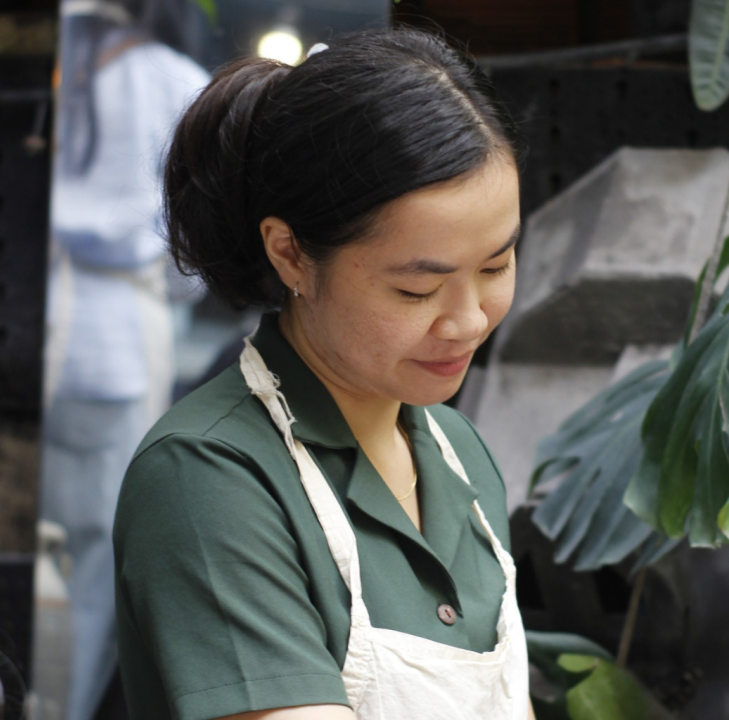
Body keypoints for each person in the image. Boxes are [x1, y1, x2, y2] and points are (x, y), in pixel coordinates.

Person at [113, 28, 534, 720]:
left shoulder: (462, 458)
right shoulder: (209, 477)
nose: (467, 320)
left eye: (495, 266)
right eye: (416, 290)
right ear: (290, 255)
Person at [41, 2, 209, 719]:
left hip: (21, 333)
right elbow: (195, 248)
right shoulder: (173, 78)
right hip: (115, 348)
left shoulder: (52, 68)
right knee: (94, 565)